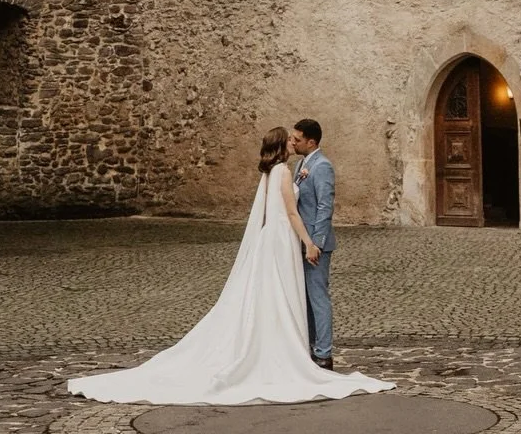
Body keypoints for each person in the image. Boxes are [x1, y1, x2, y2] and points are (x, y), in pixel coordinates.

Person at [66, 126, 393, 406]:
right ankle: (297, 350)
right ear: (282, 147)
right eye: (290, 140)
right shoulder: (283, 172)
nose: (294, 143)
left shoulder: (274, 171)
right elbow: (292, 213)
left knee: (274, 294)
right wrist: (309, 242)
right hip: (283, 240)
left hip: (274, 239)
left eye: (297, 139)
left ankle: (299, 345)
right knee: (283, 293)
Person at [288, 119, 335, 369]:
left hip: (316, 246)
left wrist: (315, 243)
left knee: (318, 297)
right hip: (300, 242)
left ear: (311, 142)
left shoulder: (322, 166)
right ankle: (312, 346)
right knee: (305, 298)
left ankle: (324, 353)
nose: (293, 142)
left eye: (297, 139)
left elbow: (324, 207)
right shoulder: (300, 166)